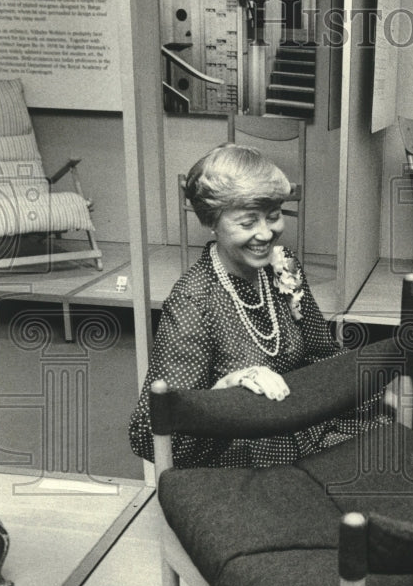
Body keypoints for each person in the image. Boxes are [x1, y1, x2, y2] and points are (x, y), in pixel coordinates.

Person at [129, 143, 387, 468]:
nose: (266, 234)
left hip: (299, 422)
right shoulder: (194, 301)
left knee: (386, 453)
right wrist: (228, 386)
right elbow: (148, 434)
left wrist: (372, 385)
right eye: (248, 223)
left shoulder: (283, 265)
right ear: (213, 221)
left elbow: (322, 353)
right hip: (240, 455)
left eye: (274, 217)